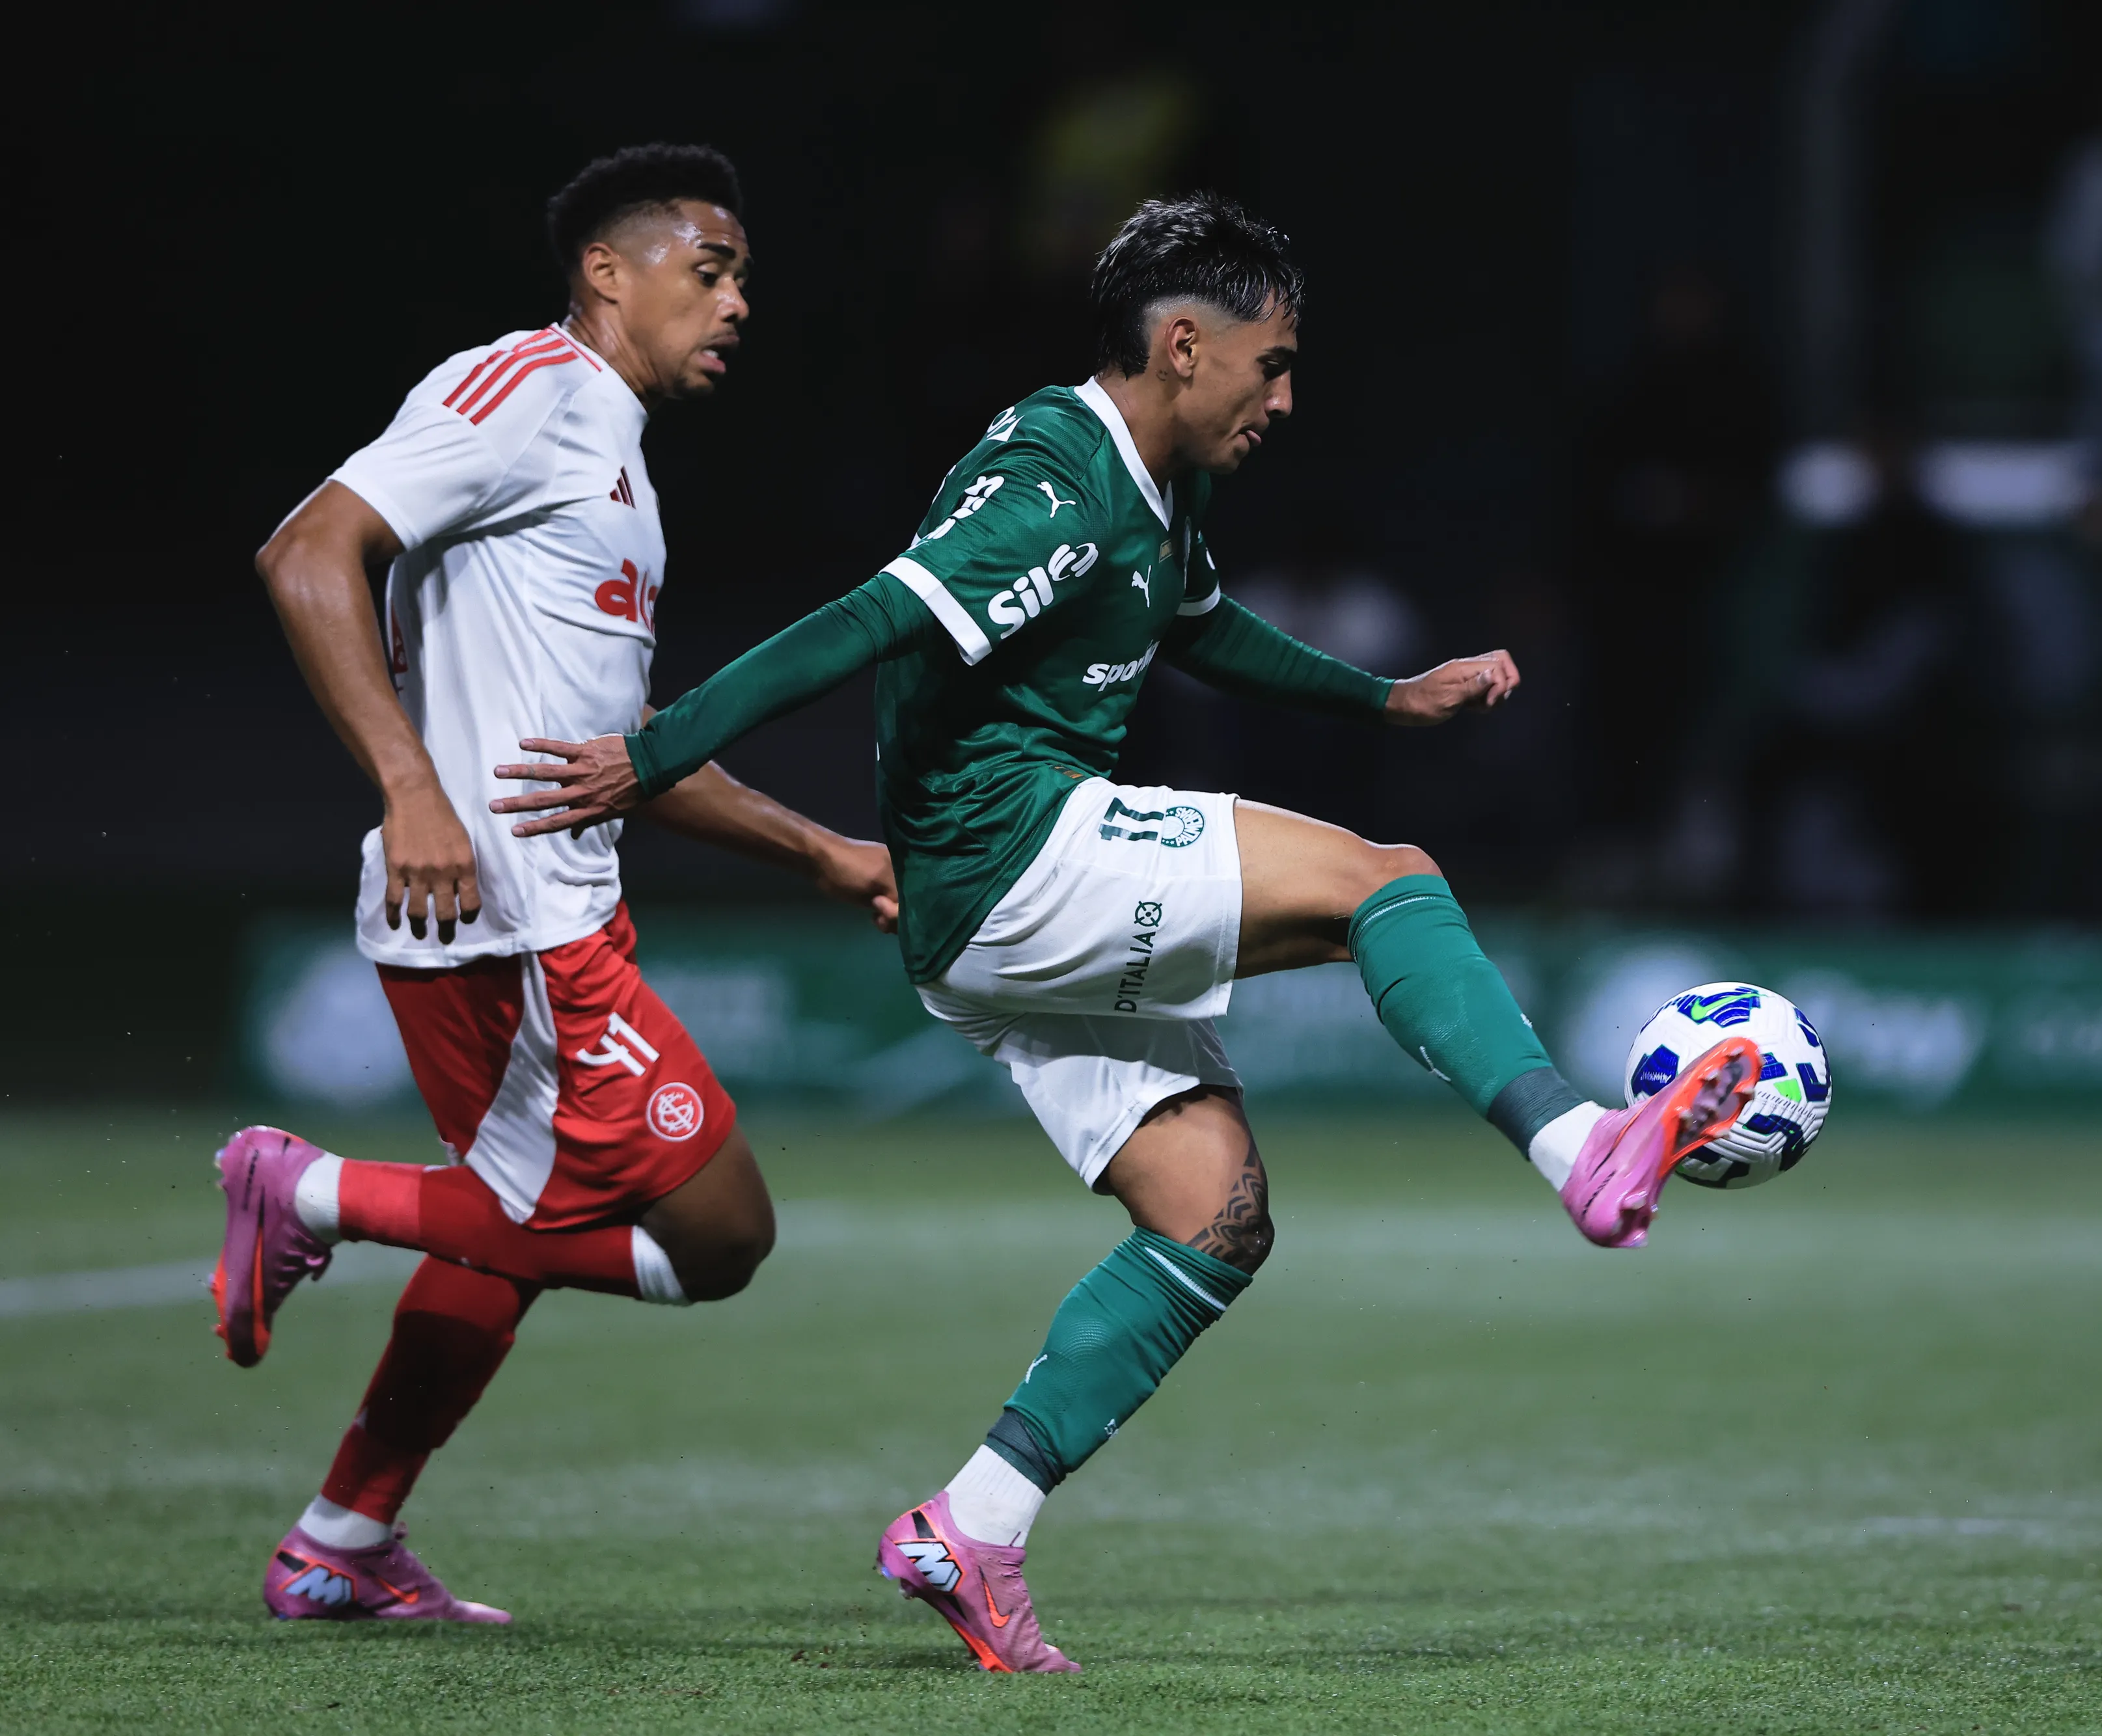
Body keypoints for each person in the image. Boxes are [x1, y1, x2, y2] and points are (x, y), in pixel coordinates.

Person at [493, 194, 1807, 1672]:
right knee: (1386, 881)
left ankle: (971, 1526)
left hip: (986, 910)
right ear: (1184, 344)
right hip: (1011, 856)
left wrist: (1384, 698)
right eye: (1272, 362)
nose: (1284, 398)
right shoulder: (1052, 485)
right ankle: (1579, 1149)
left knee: (1212, 1214)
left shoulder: (1148, 481)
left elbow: (1198, 622)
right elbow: (863, 622)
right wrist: (651, 754)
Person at [217, 144, 897, 1626]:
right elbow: (307, 551)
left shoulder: (614, 460)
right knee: (720, 1234)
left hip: (540, 907)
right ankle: (304, 1187)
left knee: (515, 1229)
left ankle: (340, 1539)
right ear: (607, 270)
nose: (737, 303)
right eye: (708, 271)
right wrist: (410, 786)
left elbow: (621, 755)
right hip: (508, 920)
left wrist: (823, 851)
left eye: (743, 280)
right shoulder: (525, 388)